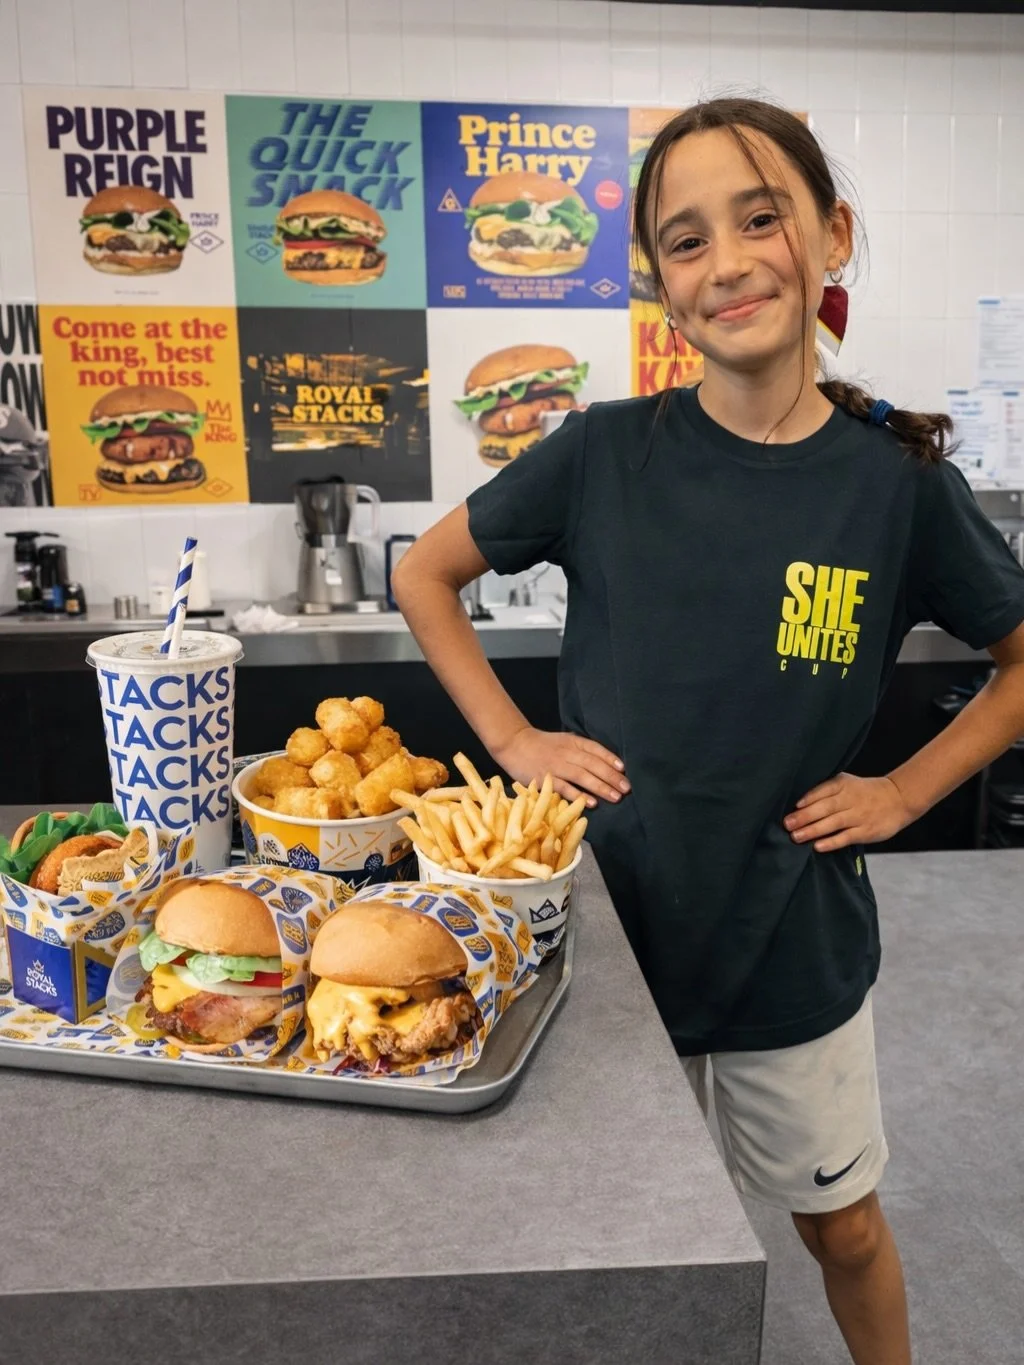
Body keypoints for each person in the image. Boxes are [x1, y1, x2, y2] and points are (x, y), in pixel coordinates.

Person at [393, 98, 1024, 1365]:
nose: (727, 262)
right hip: (613, 943)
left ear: (831, 237)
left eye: (760, 219)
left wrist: (903, 793)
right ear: (660, 287)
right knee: (622, 1244)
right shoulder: (601, 454)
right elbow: (425, 573)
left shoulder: (895, 484)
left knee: (842, 1228)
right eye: (686, 241)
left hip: (792, 941)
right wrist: (515, 742)